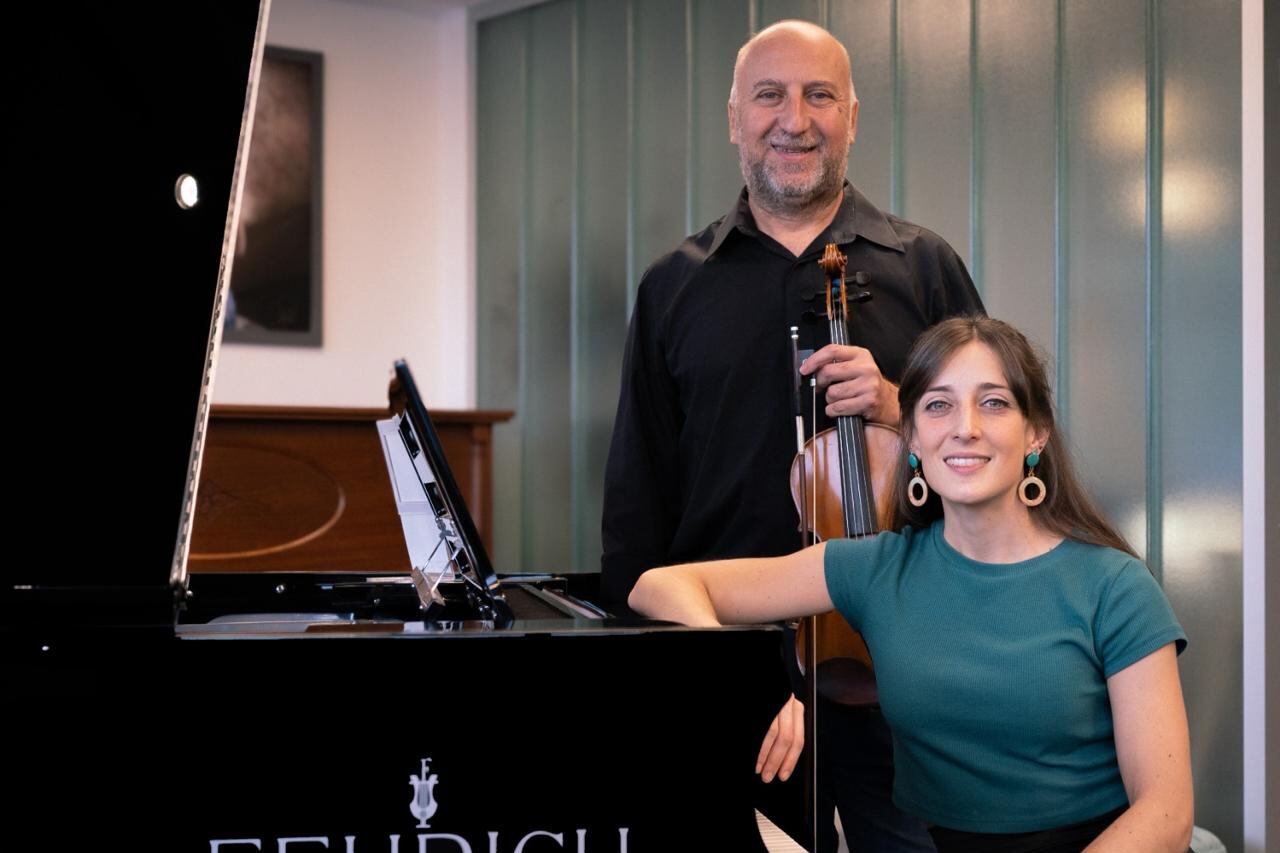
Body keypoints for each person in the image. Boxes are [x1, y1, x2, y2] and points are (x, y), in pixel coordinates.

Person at [600, 18, 982, 851]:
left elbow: (1002, 468)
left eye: (819, 96)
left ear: (853, 115)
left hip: (901, 675)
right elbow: (638, 517)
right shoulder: (673, 286)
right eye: (769, 96)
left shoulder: (925, 268)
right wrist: (717, 679)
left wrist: (900, 409)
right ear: (736, 117)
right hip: (730, 677)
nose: (794, 119)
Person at [629, 316, 1194, 853]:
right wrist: (743, 689)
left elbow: (1166, 815)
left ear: (1035, 435)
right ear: (914, 439)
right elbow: (658, 587)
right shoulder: (875, 568)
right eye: (939, 406)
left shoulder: (1114, 585)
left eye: (993, 403)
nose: (965, 428)